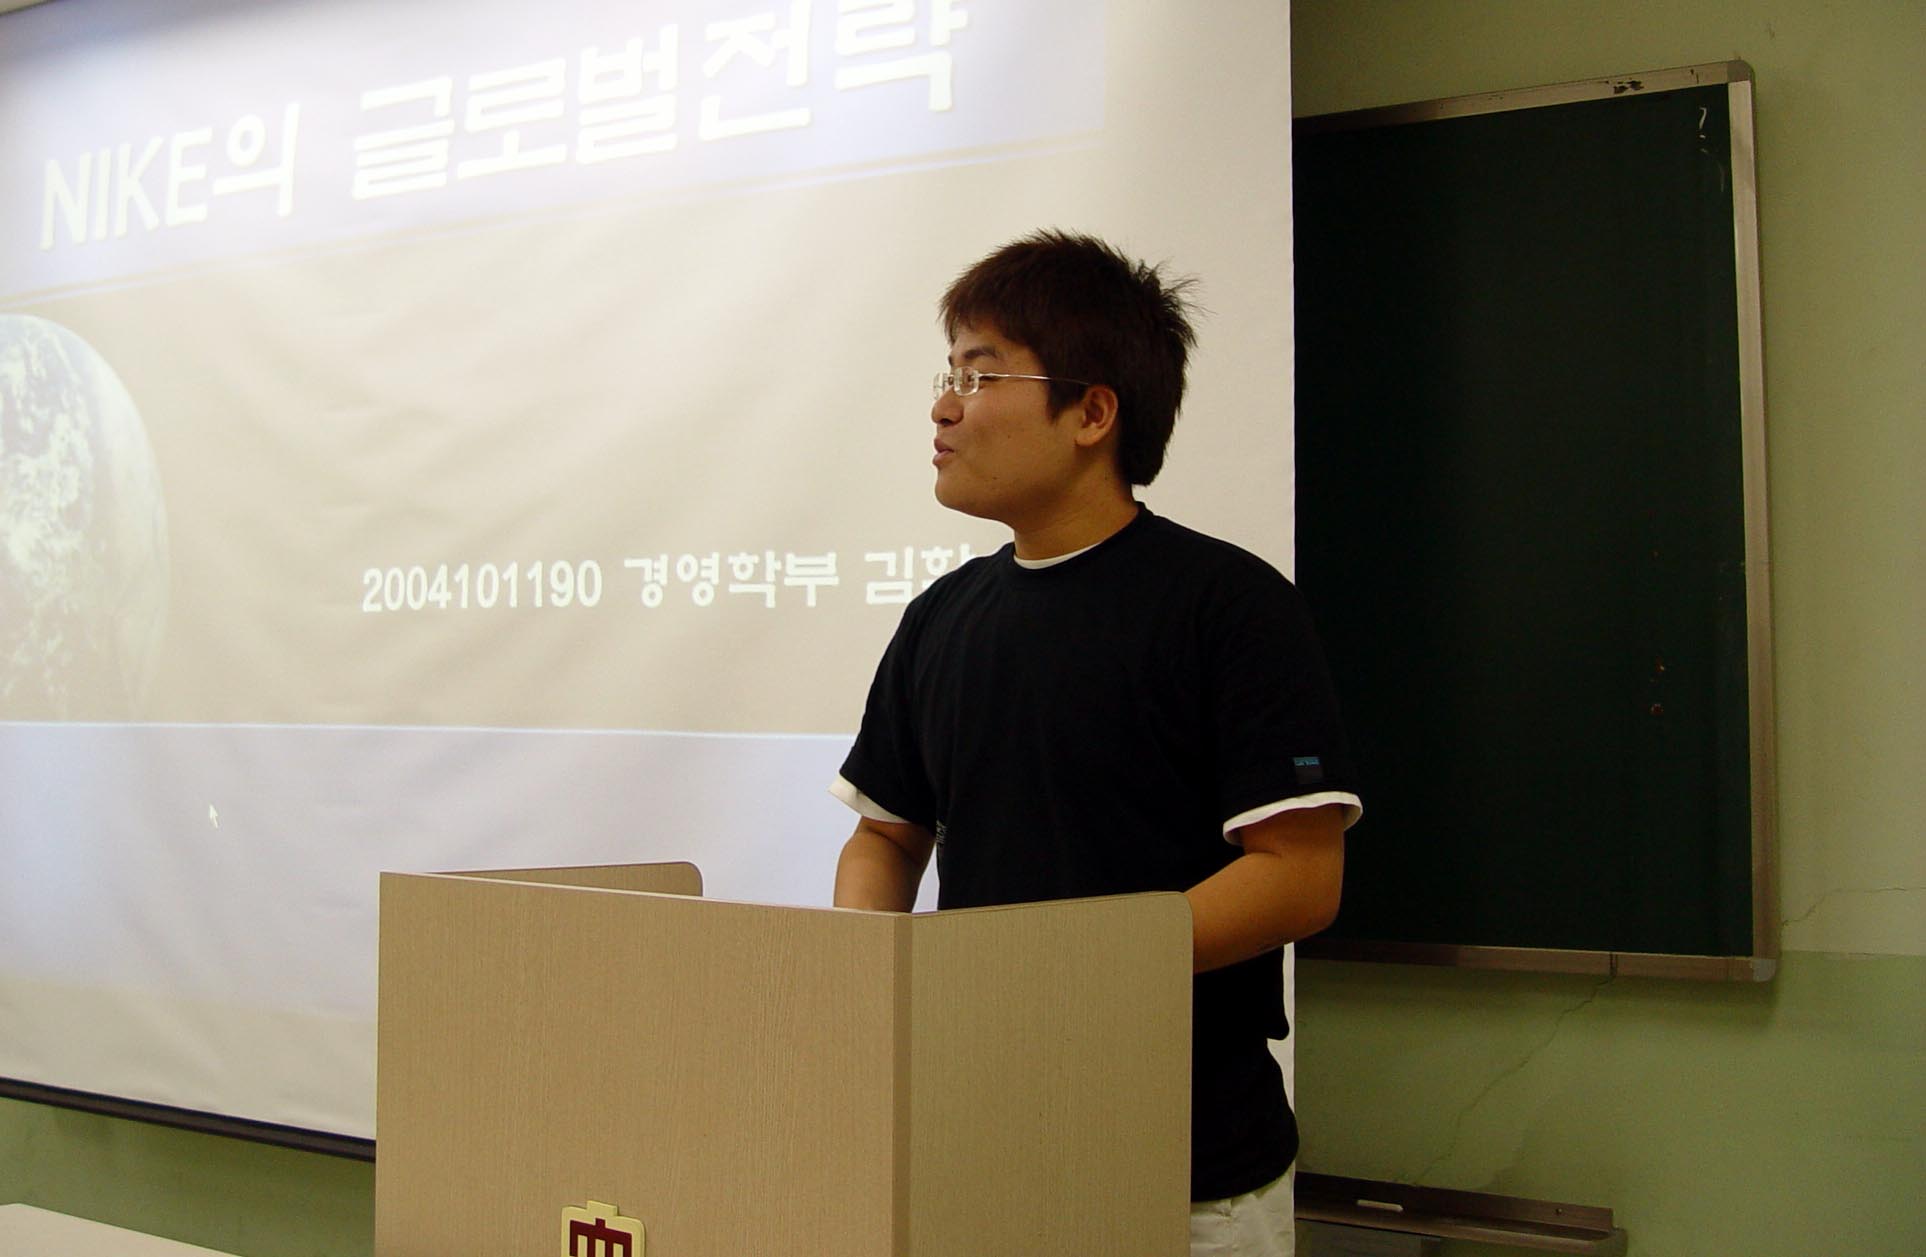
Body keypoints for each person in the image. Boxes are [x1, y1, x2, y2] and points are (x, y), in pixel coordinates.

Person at [830, 230, 1360, 1257]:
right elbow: (887, 835)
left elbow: (1300, 876)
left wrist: (1066, 967)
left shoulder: (1228, 605)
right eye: (948, 374)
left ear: (1092, 413)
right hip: (977, 1140)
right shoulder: (943, 617)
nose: (944, 407)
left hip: (1183, 1165)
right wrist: (863, 978)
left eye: (981, 375)